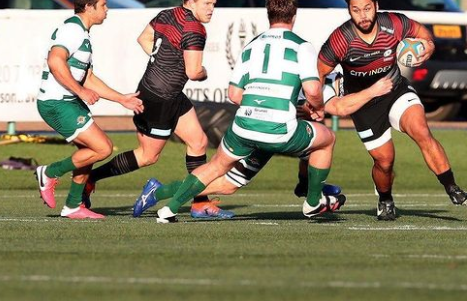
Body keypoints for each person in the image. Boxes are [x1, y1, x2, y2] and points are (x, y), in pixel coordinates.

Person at [151, 0, 345, 223]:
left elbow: (234, 95)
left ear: (268, 15)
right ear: (294, 15)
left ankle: (168, 209)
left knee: (215, 167)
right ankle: (313, 202)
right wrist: (318, 108)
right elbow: (313, 90)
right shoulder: (302, 46)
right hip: (278, 130)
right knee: (327, 139)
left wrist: (260, 104)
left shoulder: (252, 45)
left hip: (243, 126)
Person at [132, 73, 393, 217]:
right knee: (323, 140)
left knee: (316, 144)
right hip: (266, 133)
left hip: (269, 133)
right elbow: (340, 106)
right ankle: (310, 194)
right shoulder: (320, 86)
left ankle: (307, 187)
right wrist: (374, 91)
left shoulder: (302, 75)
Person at [317, 0, 467, 221]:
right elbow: (318, 74)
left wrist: (428, 48)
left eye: (367, 8)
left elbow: (425, 36)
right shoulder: (341, 39)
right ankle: (385, 199)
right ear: (349, 11)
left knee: (421, 131)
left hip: (394, 89)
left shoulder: (394, 23)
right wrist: (318, 103)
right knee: (385, 161)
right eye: (356, 10)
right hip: (365, 103)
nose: (363, 15)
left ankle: (452, 188)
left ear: (376, 6)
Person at [83, 0, 233, 219]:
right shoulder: (194, 28)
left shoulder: (166, 14)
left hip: (164, 93)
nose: (211, 9)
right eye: (206, 3)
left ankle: (199, 203)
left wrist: (164, 61)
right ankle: (90, 178)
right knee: (148, 156)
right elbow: (194, 72)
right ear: (191, 2)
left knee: (198, 142)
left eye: (214, 4)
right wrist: (204, 72)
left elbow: (143, 39)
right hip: (160, 99)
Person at [34, 0, 144, 219]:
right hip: (57, 102)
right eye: (103, 5)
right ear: (88, 7)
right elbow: (55, 62)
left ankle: (73, 205)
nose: (107, 9)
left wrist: (121, 99)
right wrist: (80, 91)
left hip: (68, 100)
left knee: (89, 151)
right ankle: (49, 172)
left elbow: (89, 78)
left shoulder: (82, 32)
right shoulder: (72, 30)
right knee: (102, 147)